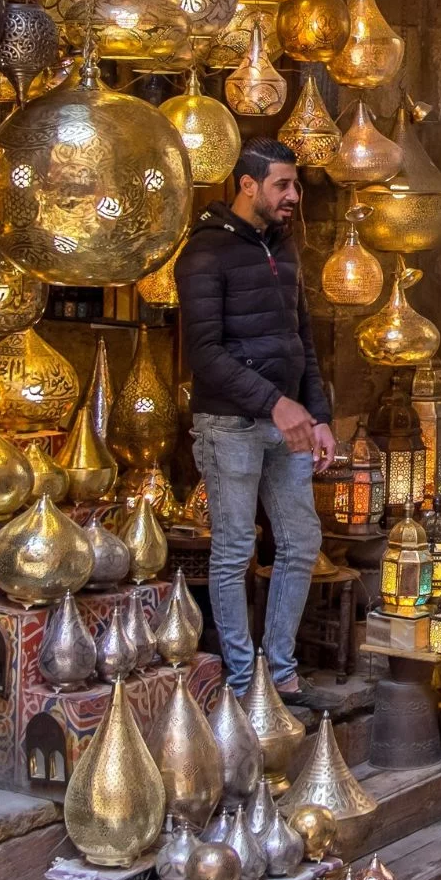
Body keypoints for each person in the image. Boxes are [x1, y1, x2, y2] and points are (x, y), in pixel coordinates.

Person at [179, 138, 336, 704]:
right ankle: (243, 680)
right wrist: (276, 403)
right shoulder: (204, 254)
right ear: (248, 185)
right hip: (230, 428)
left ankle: (282, 670)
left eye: (295, 185)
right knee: (234, 549)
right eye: (282, 185)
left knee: (301, 540)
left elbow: (304, 339)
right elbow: (205, 355)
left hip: (289, 426)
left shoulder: (285, 249)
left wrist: (317, 414)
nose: (293, 195)